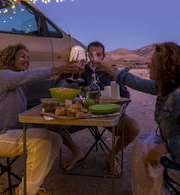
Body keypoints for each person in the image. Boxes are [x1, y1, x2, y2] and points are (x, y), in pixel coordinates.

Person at [95, 42, 180, 195]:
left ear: (165, 68)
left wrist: (166, 147)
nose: (148, 66)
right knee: (142, 144)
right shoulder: (165, 87)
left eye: (153, 63)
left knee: (144, 147)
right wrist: (108, 68)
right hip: (178, 152)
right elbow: (137, 82)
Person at [0, 44, 82, 195]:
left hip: (9, 135)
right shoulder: (0, 75)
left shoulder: (17, 86)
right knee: (42, 142)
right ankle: (27, 192)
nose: (27, 60)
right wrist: (58, 69)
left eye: (28, 57)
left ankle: (29, 186)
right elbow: (28, 76)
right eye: (22, 56)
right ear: (10, 59)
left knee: (56, 139)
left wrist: (64, 74)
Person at [54, 41, 140, 175]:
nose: (95, 59)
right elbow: (61, 86)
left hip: (108, 114)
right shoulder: (81, 70)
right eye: (91, 55)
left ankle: (112, 155)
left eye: (98, 55)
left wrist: (117, 105)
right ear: (87, 56)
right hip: (84, 115)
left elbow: (126, 94)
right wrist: (65, 73)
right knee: (51, 125)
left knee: (134, 127)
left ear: (103, 57)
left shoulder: (111, 71)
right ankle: (77, 152)